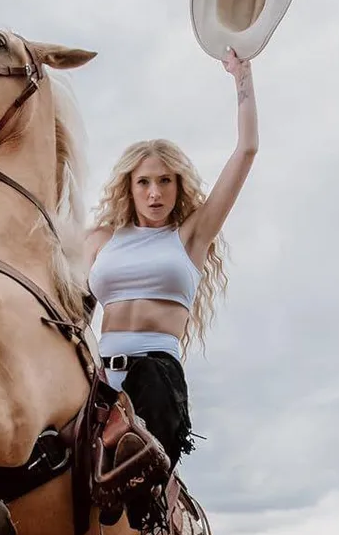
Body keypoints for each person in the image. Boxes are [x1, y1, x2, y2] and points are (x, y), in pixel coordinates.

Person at [85, 47, 258, 470]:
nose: (155, 193)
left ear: (178, 186)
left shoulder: (190, 236)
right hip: (96, 378)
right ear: (129, 187)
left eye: (165, 181)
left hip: (156, 380)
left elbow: (246, 150)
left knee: (133, 479)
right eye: (144, 182)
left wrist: (243, 77)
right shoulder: (99, 239)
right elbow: (66, 307)